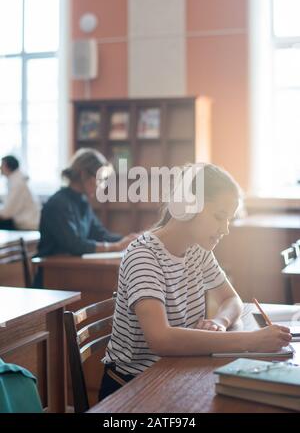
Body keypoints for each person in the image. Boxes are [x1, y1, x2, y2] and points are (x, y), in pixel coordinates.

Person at [99, 163, 292, 399]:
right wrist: (250, 340)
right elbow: (161, 339)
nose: (226, 229)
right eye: (219, 217)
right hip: (134, 387)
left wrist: (220, 322)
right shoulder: (143, 255)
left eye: (229, 219)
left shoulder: (197, 250)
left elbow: (232, 299)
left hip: (177, 371)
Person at [34, 148, 136, 287]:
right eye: (100, 179)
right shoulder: (58, 204)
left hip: (73, 274)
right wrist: (116, 246)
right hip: (53, 278)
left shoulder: (82, 201)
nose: (102, 185)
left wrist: (130, 241)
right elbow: (75, 245)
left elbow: (99, 233)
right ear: (83, 174)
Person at [0, 155, 40, 230]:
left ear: (8, 167)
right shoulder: (16, 179)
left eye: (2, 165)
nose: (0, 168)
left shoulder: (17, 183)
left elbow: (6, 212)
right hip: (27, 221)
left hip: (27, 224)